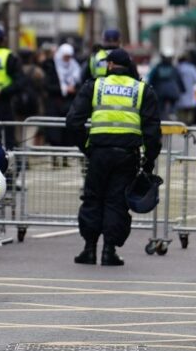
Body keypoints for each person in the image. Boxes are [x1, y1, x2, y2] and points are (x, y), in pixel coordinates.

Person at [65, 48, 162, 267]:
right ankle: (109, 252)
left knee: (93, 198)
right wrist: (149, 161)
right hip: (127, 156)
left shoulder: (95, 86)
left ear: (109, 65)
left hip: (99, 153)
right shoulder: (142, 90)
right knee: (116, 202)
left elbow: (73, 122)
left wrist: (86, 146)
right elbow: (153, 133)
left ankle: (89, 250)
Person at [42, 44, 81, 147]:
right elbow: (47, 86)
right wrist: (63, 89)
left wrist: (74, 90)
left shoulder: (75, 67)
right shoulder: (52, 67)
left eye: (69, 57)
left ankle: (65, 161)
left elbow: (80, 85)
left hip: (69, 106)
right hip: (55, 106)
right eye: (65, 57)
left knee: (67, 136)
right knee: (55, 136)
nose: (67, 59)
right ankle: (56, 160)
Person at [147, 51, 184, 120]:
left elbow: (151, 79)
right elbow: (179, 80)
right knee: (173, 104)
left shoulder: (157, 68)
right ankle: (172, 114)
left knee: (160, 107)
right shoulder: (174, 68)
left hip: (160, 92)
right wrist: (183, 89)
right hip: (173, 92)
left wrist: (149, 89)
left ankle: (161, 119)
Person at [174, 54, 196, 125]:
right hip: (190, 94)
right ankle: (188, 125)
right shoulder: (191, 68)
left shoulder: (176, 69)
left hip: (179, 94)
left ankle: (181, 125)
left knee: (181, 112)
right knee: (189, 111)